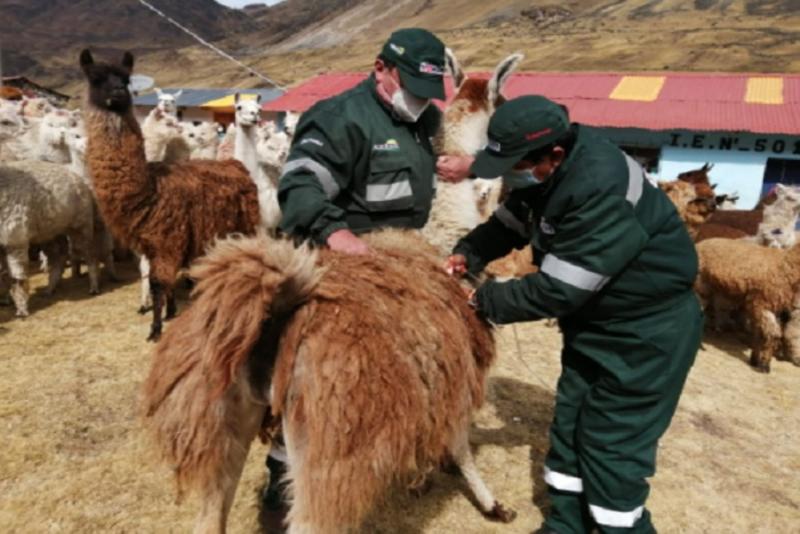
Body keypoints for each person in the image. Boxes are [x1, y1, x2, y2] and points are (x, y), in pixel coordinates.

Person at [440, 95, 702, 534]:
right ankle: (566, 526)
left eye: (515, 165)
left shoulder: (599, 185)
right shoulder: (546, 176)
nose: (509, 176)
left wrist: (481, 301)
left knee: (611, 444)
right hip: (595, 324)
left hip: (646, 332)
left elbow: (560, 289)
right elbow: (510, 223)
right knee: (570, 425)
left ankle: (623, 528)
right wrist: (469, 253)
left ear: (553, 155)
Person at [264, 27, 448, 522]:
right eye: (411, 89)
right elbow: (301, 186)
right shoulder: (338, 118)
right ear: (381, 68)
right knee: (314, 384)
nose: (420, 102)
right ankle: (283, 483)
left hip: (396, 265)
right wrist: (336, 234)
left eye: (428, 93)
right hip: (342, 261)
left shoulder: (423, 120)